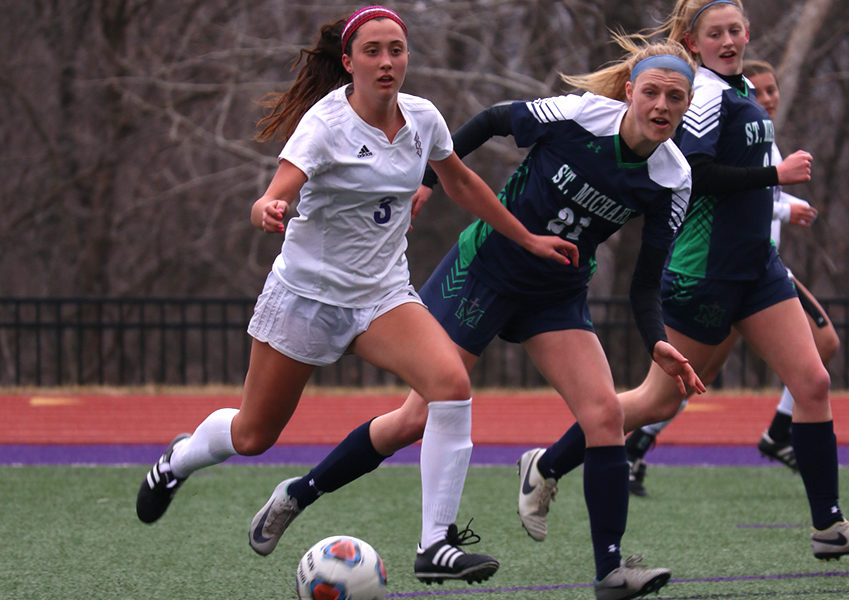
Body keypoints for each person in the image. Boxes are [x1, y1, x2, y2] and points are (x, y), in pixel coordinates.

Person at [247, 35, 707, 599]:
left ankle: (610, 572)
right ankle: (300, 492)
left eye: (676, 98)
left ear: (688, 105)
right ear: (631, 91)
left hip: (556, 293)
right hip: (484, 271)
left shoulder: (673, 177)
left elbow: (645, 280)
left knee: (604, 416)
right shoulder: (581, 116)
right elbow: (492, 120)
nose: (662, 107)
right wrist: (428, 180)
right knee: (416, 418)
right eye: (653, 92)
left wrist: (656, 340)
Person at [135, 5, 580, 586]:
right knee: (252, 435)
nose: (387, 61)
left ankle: (435, 545)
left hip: (381, 296)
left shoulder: (423, 119)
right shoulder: (324, 124)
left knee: (450, 386)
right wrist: (268, 208)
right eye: (372, 51)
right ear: (348, 62)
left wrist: (525, 238)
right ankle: (180, 459)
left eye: (396, 49)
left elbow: (462, 182)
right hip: (307, 298)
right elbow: (275, 192)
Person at [516, 0, 849, 567]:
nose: (727, 40)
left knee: (813, 380)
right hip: (704, 273)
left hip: (758, 271)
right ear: (692, 43)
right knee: (654, 399)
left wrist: (777, 197)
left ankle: (829, 526)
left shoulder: (741, 90)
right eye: (714, 33)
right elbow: (694, 173)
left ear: (748, 33)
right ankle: (546, 464)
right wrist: (776, 175)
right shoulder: (704, 96)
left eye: (735, 30)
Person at [623, 58, 841, 497]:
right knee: (671, 389)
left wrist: (780, 202)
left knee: (815, 361)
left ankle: (825, 516)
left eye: (772, 90)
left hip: (759, 269)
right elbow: (709, 183)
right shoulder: (717, 112)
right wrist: (783, 200)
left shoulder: (760, 131)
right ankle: (575, 450)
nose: (766, 99)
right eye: (757, 91)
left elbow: (757, 194)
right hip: (724, 270)